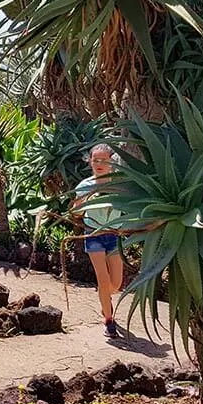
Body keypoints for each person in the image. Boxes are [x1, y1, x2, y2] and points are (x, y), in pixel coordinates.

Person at [71, 143, 124, 339]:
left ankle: (105, 300)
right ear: (90, 162)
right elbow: (77, 213)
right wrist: (83, 200)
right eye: (95, 160)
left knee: (116, 284)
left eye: (104, 160)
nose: (99, 164)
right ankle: (109, 320)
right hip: (93, 234)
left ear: (111, 162)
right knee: (102, 279)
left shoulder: (120, 185)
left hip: (114, 235)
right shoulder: (85, 185)